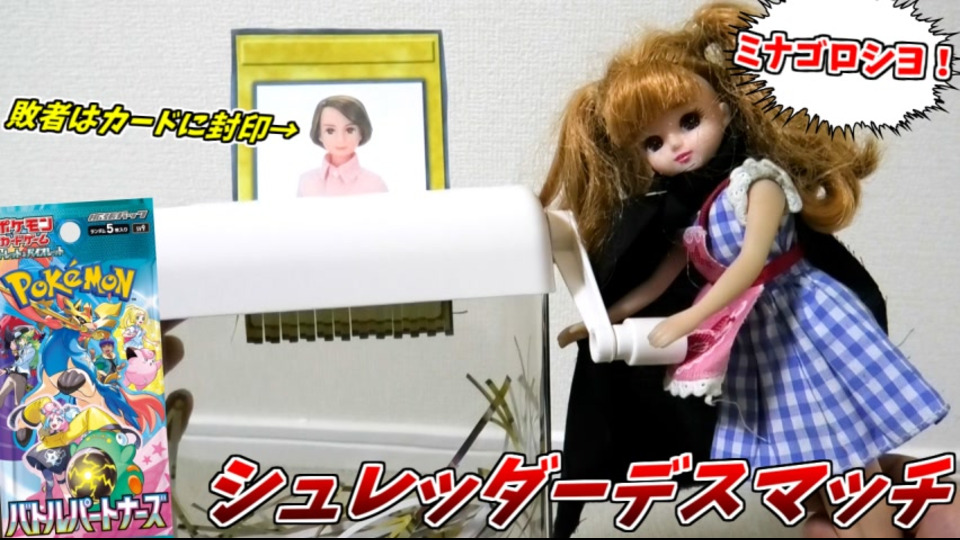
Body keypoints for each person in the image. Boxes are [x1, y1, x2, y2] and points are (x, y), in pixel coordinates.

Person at [541, 1, 949, 537]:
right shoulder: (699, 212)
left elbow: (750, 264)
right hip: (759, 338)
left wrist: (687, 320)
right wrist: (605, 318)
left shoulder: (759, 182)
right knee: (806, 457)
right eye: (653, 142)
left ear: (725, 111)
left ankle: (882, 510)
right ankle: (887, 501)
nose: (676, 145)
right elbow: (666, 274)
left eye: (689, 121)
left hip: (803, 324)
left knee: (841, 445)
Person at [297, 95, 388, 197]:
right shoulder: (306, 181)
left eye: (350, 130)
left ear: (361, 132)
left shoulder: (374, 184)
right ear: (319, 134)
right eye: (330, 131)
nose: (341, 139)